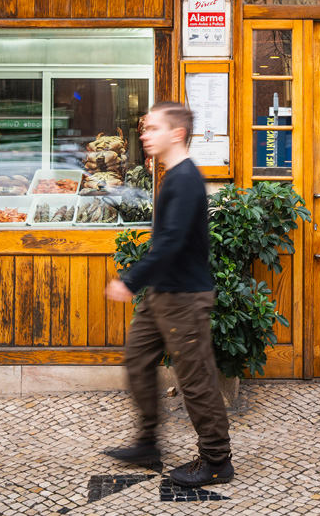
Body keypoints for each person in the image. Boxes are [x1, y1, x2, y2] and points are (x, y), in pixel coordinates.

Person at [103, 101, 233, 487]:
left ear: (176, 133)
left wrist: (130, 281)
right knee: (137, 360)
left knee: (195, 380)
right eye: (144, 128)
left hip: (184, 298)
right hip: (162, 293)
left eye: (153, 128)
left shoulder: (186, 179)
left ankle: (216, 460)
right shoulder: (173, 176)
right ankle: (147, 442)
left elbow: (173, 242)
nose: (144, 134)